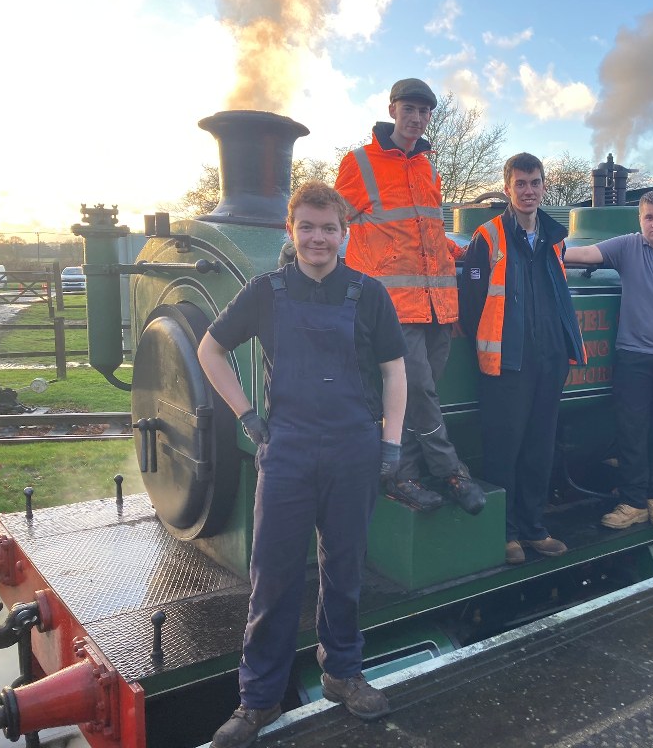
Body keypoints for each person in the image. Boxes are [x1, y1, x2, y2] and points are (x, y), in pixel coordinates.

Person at [199, 181, 406, 747]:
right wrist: (245, 414)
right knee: (275, 574)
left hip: (352, 449)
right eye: (308, 227)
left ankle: (341, 672)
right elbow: (209, 349)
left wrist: (389, 443)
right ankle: (258, 700)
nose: (318, 237)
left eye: (329, 228)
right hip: (286, 450)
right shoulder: (265, 291)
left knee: (345, 567)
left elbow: (394, 369)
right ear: (292, 232)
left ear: (345, 233)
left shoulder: (368, 294)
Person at [335, 77, 484, 516]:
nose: (416, 119)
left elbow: (426, 230)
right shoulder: (359, 163)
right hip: (391, 308)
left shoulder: (429, 167)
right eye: (409, 109)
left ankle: (401, 476)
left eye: (424, 112)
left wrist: (464, 250)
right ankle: (451, 469)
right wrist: (302, 247)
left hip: (438, 306)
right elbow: (328, 218)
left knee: (421, 395)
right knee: (418, 388)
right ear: (392, 108)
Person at [459, 152, 586, 565]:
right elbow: (472, 304)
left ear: (544, 186)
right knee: (504, 450)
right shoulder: (489, 236)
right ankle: (506, 533)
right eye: (520, 184)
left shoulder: (555, 237)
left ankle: (535, 528)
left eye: (535, 183)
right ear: (508, 187)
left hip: (549, 360)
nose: (528, 191)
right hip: (506, 364)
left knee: (539, 447)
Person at [565, 190, 653, 530]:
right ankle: (632, 502)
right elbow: (586, 253)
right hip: (633, 357)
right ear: (640, 219)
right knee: (631, 431)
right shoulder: (628, 247)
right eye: (648, 217)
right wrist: (546, 252)